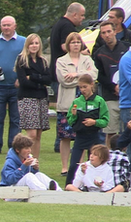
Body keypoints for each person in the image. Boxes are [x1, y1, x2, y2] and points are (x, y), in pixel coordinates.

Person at [56, 33, 98, 176]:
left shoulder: (87, 59)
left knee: (84, 134)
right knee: (65, 136)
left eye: (78, 42)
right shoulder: (61, 61)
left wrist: (75, 74)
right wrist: (83, 77)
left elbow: (94, 75)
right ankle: (64, 167)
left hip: (87, 105)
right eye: (72, 42)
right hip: (67, 103)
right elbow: (63, 80)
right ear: (68, 45)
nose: (75, 44)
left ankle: (81, 166)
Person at [0, 15, 26, 154]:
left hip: (16, 87)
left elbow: (28, 61)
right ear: (0, 26)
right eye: (4, 25)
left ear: (15, 26)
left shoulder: (23, 42)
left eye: (9, 25)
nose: (6, 28)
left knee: (15, 119)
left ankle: (14, 147)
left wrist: (22, 77)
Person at [49, 2, 85, 153]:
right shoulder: (67, 26)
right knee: (66, 109)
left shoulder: (59, 23)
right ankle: (61, 142)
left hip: (55, 72)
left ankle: (62, 141)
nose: (83, 19)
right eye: (82, 15)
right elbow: (65, 46)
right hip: (63, 73)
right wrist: (83, 51)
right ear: (74, 14)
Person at [65, 74, 108, 187]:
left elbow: (105, 121)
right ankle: (69, 186)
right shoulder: (77, 102)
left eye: (85, 87)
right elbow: (70, 121)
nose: (83, 90)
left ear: (91, 85)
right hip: (80, 136)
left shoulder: (99, 101)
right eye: (80, 87)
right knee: (74, 164)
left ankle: (92, 186)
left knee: (93, 164)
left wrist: (94, 122)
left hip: (94, 136)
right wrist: (74, 115)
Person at [15, 33, 52, 159]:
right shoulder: (22, 60)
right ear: (27, 45)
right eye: (31, 43)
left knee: (38, 135)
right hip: (27, 98)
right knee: (31, 134)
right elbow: (23, 82)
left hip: (41, 99)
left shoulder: (43, 61)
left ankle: (35, 162)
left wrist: (33, 77)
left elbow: (48, 80)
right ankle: (26, 161)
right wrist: (39, 83)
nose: (34, 46)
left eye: (36, 43)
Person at [93, 21, 129, 146]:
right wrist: (113, 87)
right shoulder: (98, 53)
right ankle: (109, 158)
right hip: (109, 96)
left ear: (115, 32)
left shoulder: (126, 48)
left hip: (126, 96)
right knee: (111, 131)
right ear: (101, 35)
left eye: (109, 31)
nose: (107, 35)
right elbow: (99, 75)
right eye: (103, 33)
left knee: (127, 130)